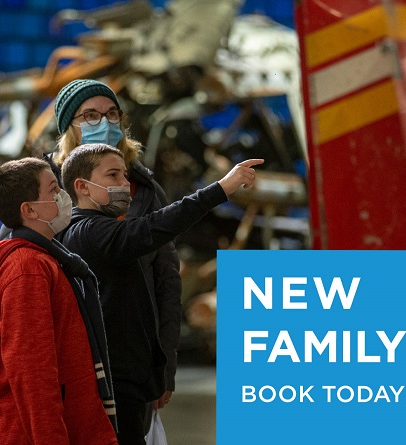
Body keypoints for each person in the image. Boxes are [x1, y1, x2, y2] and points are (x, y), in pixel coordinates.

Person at [60, 144, 262, 445]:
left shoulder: (92, 232)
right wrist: (221, 189)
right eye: (113, 175)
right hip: (116, 384)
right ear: (82, 186)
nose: (124, 184)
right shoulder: (89, 232)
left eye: (125, 175)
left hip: (127, 383)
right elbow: (156, 226)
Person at [50, 79, 183, 434]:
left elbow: (166, 281)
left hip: (131, 362)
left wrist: (164, 365)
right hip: (71, 359)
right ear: (69, 128)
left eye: (111, 114)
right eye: (90, 115)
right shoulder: (41, 184)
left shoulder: (143, 187)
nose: (104, 123)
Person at [0, 157, 118, 445]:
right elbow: (32, 373)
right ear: (29, 209)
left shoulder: (44, 259)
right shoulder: (27, 268)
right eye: (53, 190)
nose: (63, 197)